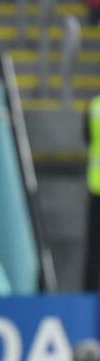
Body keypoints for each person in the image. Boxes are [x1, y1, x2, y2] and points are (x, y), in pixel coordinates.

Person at [83, 93, 100, 289]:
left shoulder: (94, 105)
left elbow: (87, 137)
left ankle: (89, 292)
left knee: (94, 250)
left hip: (96, 187)